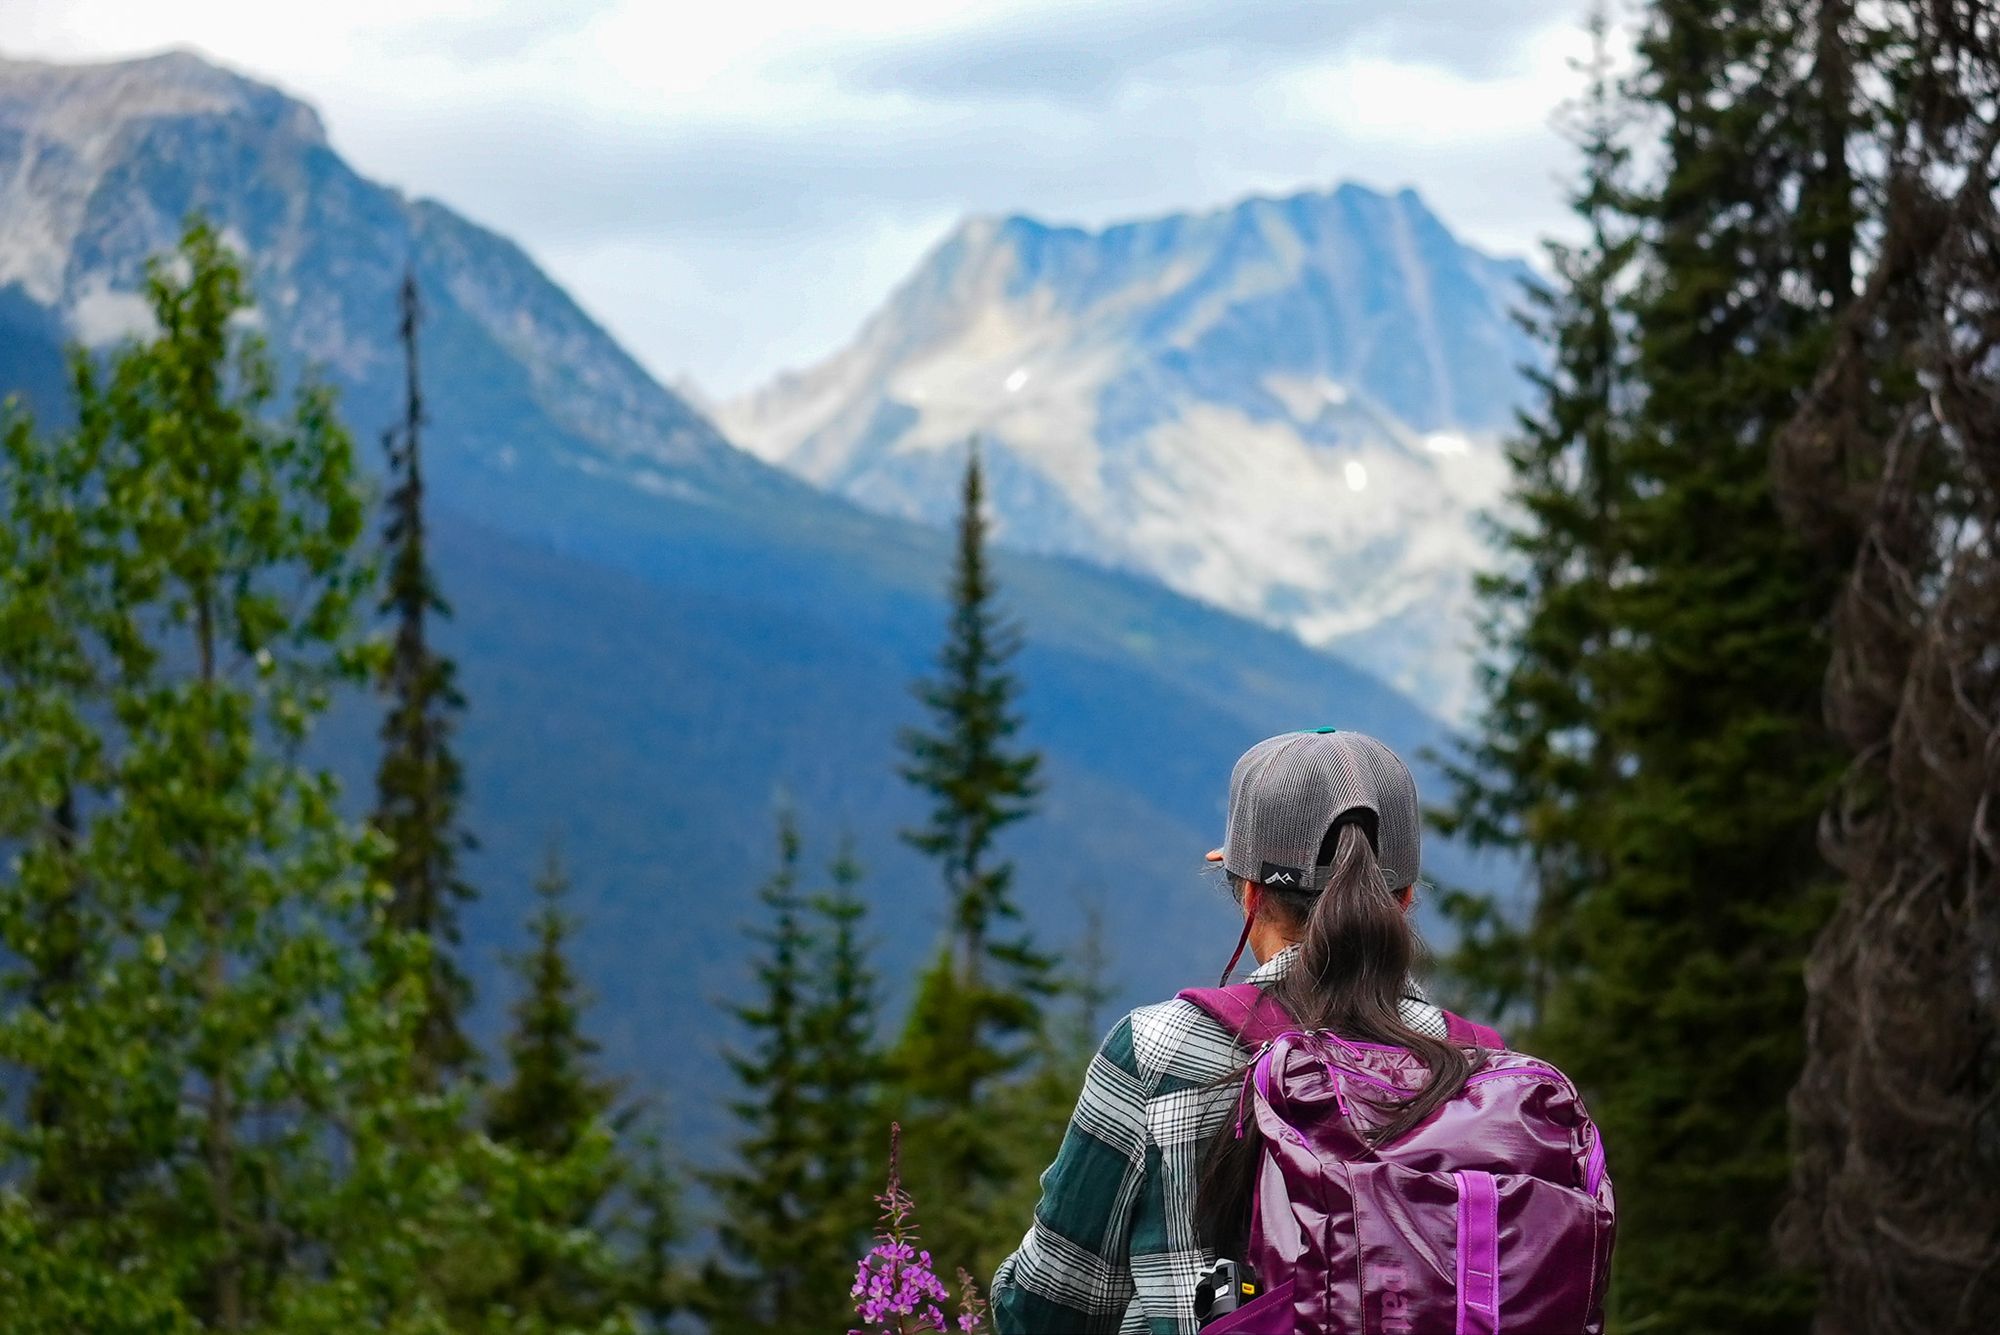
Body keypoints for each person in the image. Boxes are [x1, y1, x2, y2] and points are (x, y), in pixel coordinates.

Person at [989, 728, 1610, 1334]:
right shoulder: (1487, 1076)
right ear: (1406, 897)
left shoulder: (1160, 1048)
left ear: (1248, 892)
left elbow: (1050, 1307)